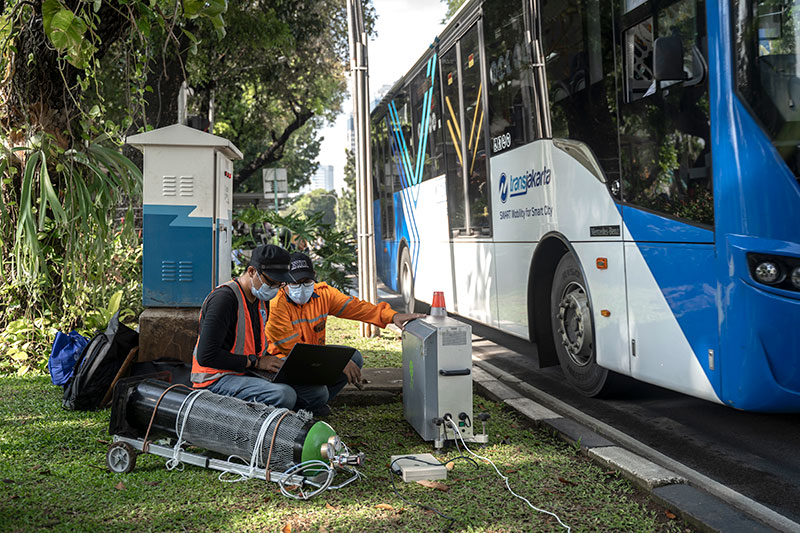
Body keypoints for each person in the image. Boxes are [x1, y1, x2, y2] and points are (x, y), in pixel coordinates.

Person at [265, 252, 424, 416]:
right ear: (285, 283)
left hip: (312, 361)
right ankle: (302, 408)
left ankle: (311, 406)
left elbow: (356, 307)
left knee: (354, 357)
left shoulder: (324, 294)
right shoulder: (277, 304)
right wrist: (335, 362)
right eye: (295, 283)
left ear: (314, 277)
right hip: (283, 363)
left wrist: (392, 316)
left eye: (306, 282)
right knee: (320, 393)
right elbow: (295, 351)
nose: (301, 287)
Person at [191, 244, 296, 408]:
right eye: (271, 282)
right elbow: (206, 356)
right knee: (285, 395)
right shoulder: (224, 300)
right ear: (252, 271)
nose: (275, 288)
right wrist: (256, 363)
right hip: (215, 380)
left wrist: (271, 363)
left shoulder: (261, 301)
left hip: (247, 372)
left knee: (317, 392)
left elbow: (252, 345)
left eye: (280, 284)